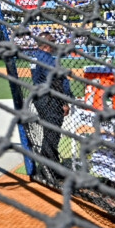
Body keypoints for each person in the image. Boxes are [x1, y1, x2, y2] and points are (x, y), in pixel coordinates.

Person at [29, 35, 71, 168]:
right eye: (53, 42)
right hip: (51, 100)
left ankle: (46, 164)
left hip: (42, 98)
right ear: (46, 44)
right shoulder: (46, 58)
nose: (55, 45)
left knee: (49, 132)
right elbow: (55, 82)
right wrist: (63, 102)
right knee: (52, 134)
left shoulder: (36, 56)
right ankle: (51, 167)